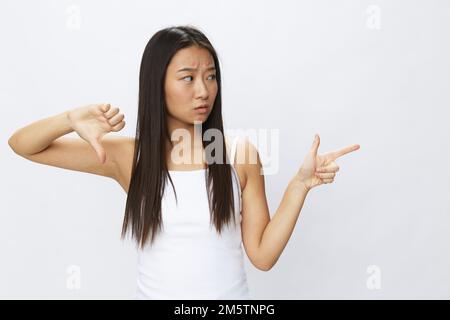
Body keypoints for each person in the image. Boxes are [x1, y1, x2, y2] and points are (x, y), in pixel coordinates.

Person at [8, 25, 360, 300]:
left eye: (210, 76)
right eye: (188, 78)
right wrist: (70, 118)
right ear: (156, 83)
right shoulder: (130, 157)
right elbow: (23, 145)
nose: (204, 90)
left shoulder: (240, 155)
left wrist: (299, 186)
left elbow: (263, 257)